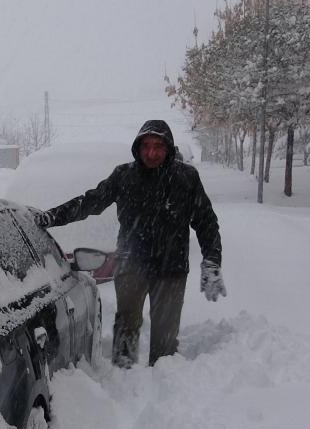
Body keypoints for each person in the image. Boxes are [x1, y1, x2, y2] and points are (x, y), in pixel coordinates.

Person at [35, 120, 224, 367]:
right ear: (138, 147)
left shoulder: (186, 178)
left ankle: (163, 381)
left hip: (172, 269)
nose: (152, 152)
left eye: (158, 146)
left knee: (165, 338)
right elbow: (90, 202)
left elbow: (207, 222)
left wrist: (212, 261)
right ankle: (123, 374)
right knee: (126, 325)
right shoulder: (124, 176)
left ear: (168, 148)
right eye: (146, 146)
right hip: (132, 265)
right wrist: (53, 216)